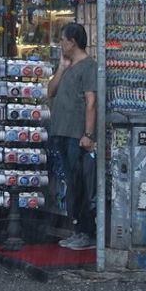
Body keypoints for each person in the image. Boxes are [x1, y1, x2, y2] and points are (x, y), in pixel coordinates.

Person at [47, 23, 98, 250]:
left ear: (72, 42)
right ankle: (77, 228)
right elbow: (51, 91)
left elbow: (91, 101)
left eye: (63, 39)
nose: (61, 44)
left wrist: (88, 134)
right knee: (70, 182)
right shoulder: (68, 66)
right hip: (61, 131)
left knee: (79, 183)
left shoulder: (88, 67)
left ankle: (86, 231)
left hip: (75, 134)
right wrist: (61, 67)